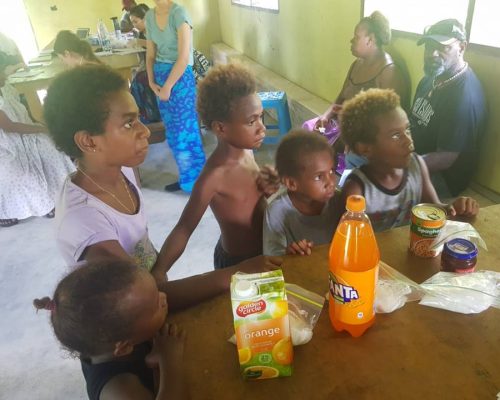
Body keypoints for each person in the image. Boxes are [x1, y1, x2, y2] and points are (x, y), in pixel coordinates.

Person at [43, 64, 281, 310]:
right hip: (126, 316)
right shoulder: (84, 223)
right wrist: (234, 273)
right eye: (129, 124)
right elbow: (145, 297)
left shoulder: (120, 170)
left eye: (139, 119)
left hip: (150, 284)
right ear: (88, 141)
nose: (145, 131)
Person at [151, 63, 279, 281]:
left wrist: (269, 188)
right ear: (220, 128)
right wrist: (159, 272)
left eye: (261, 117)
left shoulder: (247, 152)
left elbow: (248, 202)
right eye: (251, 121)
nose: (262, 127)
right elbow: (184, 228)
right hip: (237, 264)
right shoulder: (213, 176)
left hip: (264, 252)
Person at [34, 260, 187, 400]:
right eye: (155, 306)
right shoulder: (120, 390)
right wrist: (170, 360)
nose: (164, 297)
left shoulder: (103, 339)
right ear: (124, 347)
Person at [338, 88, 478, 232]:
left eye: (407, 130)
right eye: (395, 135)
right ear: (365, 148)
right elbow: (349, 239)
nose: (408, 140)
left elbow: (434, 208)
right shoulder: (357, 190)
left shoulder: (416, 165)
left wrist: (454, 208)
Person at [409, 19, 487, 198]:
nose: (432, 54)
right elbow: (412, 122)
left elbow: (445, 158)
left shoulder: (464, 98)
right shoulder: (430, 78)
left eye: (443, 47)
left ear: (461, 47)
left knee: (380, 193)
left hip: (441, 177)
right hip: (415, 158)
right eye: (428, 46)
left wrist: (400, 166)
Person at [0, 51, 74, 228]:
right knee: (21, 170)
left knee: (51, 148)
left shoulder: (7, 89)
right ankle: (10, 211)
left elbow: (25, 115)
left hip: (22, 136)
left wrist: (42, 128)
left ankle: (55, 197)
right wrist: (42, 129)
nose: (5, 74)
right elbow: (10, 127)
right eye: (2, 70)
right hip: (7, 143)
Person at [145, 0, 205, 193]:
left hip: (179, 78)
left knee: (185, 132)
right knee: (172, 133)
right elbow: (150, 54)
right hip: (160, 78)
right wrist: (151, 80)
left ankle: (199, 183)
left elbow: (184, 57)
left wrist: (168, 86)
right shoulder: (149, 16)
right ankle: (186, 178)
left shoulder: (179, 13)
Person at [263, 129, 340, 256]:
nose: (331, 182)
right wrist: (290, 255)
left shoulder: (340, 201)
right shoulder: (277, 212)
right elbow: (272, 260)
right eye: (318, 177)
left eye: (331, 171)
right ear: (292, 183)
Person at [129, 4, 162, 124]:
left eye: (136, 21)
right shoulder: (144, 33)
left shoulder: (158, 29)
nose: (134, 25)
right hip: (156, 65)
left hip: (165, 65)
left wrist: (139, 42)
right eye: (132, 22)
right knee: (137, 78)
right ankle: (146, 114)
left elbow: (158, 47)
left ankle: (151, 115)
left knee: (139, 81)